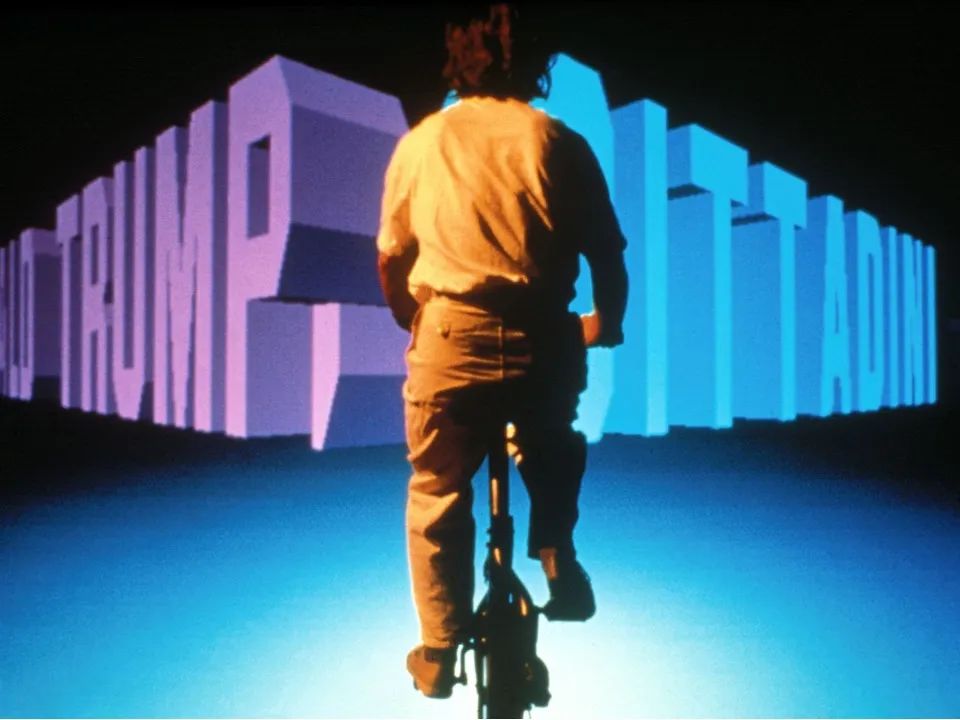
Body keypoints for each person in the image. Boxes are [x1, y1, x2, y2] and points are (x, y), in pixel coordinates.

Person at [376, 3, 628, 700]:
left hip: (449, 343)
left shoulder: (422, 144)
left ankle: (437, 648)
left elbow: (392, 259)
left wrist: (413, 320)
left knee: (437, 488)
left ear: (457, 57)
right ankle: (557, 556)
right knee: (550, 442)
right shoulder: (558, 142)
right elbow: (608, 257)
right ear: (537, 62)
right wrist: (606, 324)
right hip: (541, 344)